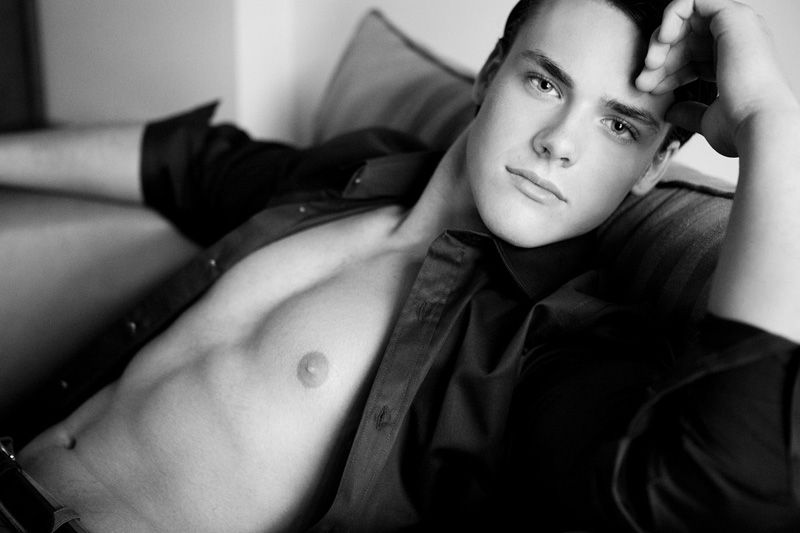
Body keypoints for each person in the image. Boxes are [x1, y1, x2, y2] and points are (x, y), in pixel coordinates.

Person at [0, 0, 798, 531]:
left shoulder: (542, 347)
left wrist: (770, 118)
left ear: (654, 166)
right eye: (545, 82)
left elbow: (712, 492)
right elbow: (193, 163)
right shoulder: (361, 169)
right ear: (490, 73)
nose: (560, 142)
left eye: (619, 125)